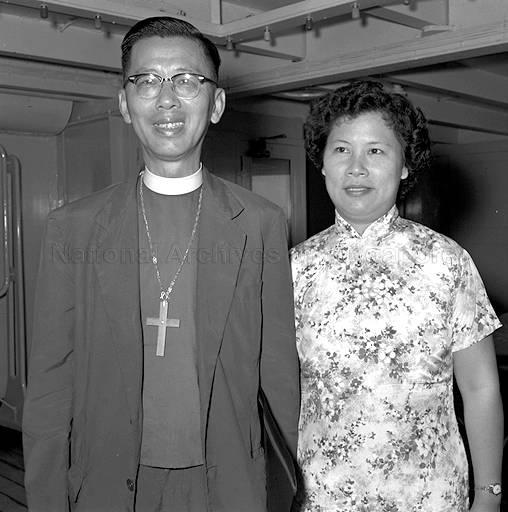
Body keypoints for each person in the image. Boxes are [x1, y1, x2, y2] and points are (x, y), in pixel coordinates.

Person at [22, 16, 300, 512]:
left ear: (216, 104)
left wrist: (290, 490)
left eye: (187, 80)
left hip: (228, 484)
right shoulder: (74, 228)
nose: (166, 99)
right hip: (108, 484)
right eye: (147, 81)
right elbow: (50, 385)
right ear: (124, 103)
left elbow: (278, 374)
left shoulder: (261, 223)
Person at [291, 80, 503, 512]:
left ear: (404, 165)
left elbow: (481, 387)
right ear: (322, 164)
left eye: (375, 150)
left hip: (430, 496)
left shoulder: (447, 261)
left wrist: (489, 495)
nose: (356, 167)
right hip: (324, 497)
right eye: (341, 150)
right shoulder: (294, 268)